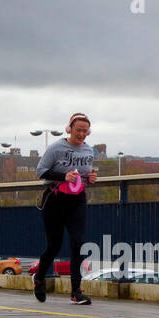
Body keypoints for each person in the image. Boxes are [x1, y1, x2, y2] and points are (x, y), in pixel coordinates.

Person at [33, 112, 98, 305]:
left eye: (85, 131)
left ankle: (76, 291)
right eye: (78, 130)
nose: (81, 134)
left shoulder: (88, 151)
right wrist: (63, 177)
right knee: (54, 246)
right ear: (69, 129)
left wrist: (91, 178)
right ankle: (39, 278)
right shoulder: (56, 148)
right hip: (55, 199)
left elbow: (84, 175)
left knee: (78, 243)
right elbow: (40, 172)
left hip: (77, 200)